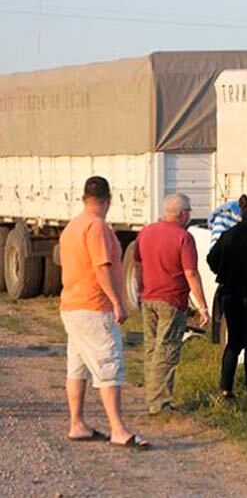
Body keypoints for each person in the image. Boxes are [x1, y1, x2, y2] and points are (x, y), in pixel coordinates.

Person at [59, 176, 149, 449]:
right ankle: (118, 430)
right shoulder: (96, 227)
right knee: (109, 364)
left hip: (72, 304)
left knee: (78, 366)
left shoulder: (72, 227)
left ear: (84, 198)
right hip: (93, 305)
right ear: (108, 199)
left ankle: (77, 423)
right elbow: (102, 267)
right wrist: (117, 302)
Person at [134, 193, 209, 415]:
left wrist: (140, 289)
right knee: (167, 350)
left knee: (151, 348)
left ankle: (151, 397)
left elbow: (137, 265)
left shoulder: (146, 231)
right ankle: (160, 404)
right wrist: (202, 305)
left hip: (149, 298)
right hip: (172, 300)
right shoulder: (183, 237)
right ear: (183, 213)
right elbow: (191, 273)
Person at [207, 194, 247, 398]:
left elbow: (211, 259)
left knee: (233, 342)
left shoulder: (229, 233)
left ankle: (226, 388)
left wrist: (225, 271)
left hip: (230, 293)